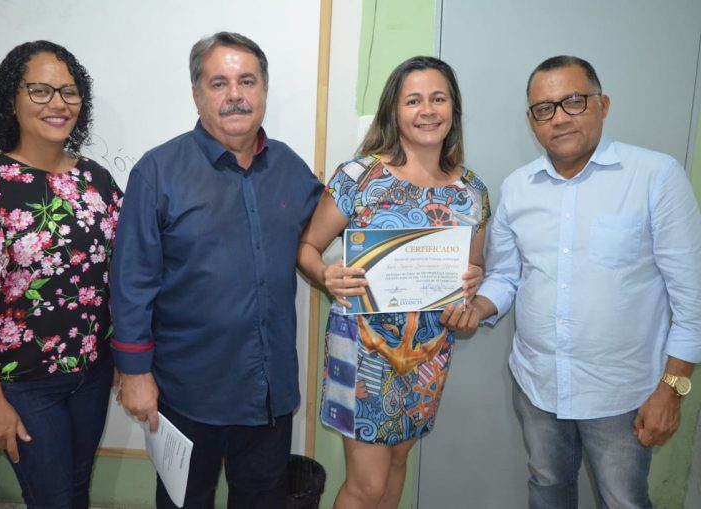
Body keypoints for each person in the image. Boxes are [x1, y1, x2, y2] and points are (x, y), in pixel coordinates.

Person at [462, 55, 701, 508]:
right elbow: (506, 276)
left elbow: (693, 300)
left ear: (602, 105)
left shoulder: (655, 177)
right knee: (547, 488)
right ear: (532, 121)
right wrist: (477, 308)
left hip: (623, 395)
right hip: (538, 386)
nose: (559, 118)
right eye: (544, 109)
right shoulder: (517, 188)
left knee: (624, 500)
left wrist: (672, 389)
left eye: (574, 101)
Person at [109, 32, 323, 509]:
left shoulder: (289, 167)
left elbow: (334, 225)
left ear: (263, 90)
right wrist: (135, 373)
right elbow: (131, 281)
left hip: (268, 392)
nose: (235, 95)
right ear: (196, 94)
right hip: (187, 394)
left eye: (247, 81)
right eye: (219, 83)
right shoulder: (157, 172)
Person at [0, 41, 122, 508]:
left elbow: (118, 275)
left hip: (93, 372)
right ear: (11, 100)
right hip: (26, 383)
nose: (58, 103)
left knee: (76, 490)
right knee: (51, 500)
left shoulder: (97, 181)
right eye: (40, 90)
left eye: (69, 91)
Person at [297, 56, 490, 509]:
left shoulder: (472, 191)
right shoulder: (359, 178)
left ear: (454, 108)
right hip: (363, 352)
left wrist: (473, 285)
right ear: (394, 111)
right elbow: (307, 248)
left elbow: (476, 268)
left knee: (399, 462)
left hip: (428, 355)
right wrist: (326, 274)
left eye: (438, 98)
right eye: (413, 100)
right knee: (366, 485)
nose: (427, 110)